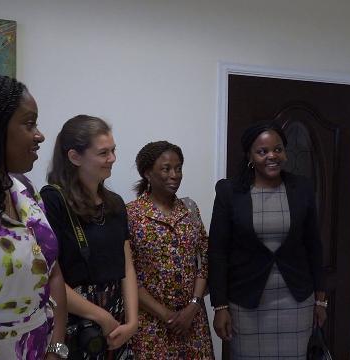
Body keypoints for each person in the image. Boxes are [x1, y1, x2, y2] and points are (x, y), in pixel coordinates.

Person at [0, 69, 68, 359]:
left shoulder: (22, 188)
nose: (40, 135)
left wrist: (57, 348)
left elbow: (53, 271)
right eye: (28, 124)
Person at [209, 121, 327, 359]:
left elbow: (314, 246)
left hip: (296, 300)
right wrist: (220, 306)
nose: (272, 156)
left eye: (278, 149)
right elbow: (217, 252)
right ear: (250, 156)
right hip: (247, 303)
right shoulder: (229, 191)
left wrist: (321, 300)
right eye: (262, 151)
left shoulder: (301, 188)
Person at [40, 115, 138, 359]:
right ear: (74, 157)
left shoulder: (115, 204)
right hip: (74, 321)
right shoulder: (52, 201)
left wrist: (132, 322)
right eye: (104, 153)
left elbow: (126, 265)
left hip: (118, 319)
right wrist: (101, 316)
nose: (113, 159)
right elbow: (48, 276)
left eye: (113, 150)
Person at [126, 141, 214, 359]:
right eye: (166, 169)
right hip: (151, 327)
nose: (174, 175)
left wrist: (194, 305)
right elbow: (128, 274)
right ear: (147, 173)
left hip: (193, 323)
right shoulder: (131, 214)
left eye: (178, 168)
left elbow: (204, 259)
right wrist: (167, 315)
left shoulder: (190, 209)